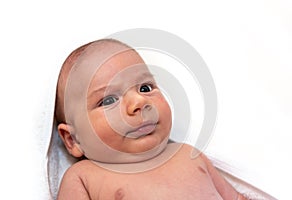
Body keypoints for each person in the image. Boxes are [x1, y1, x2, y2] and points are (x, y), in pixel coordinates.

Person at [55, 38, 248, 199]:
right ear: (73, 139)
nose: (139, 101)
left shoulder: (188, 154)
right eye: (109, 100)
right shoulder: (84, 178)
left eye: (145, 88)